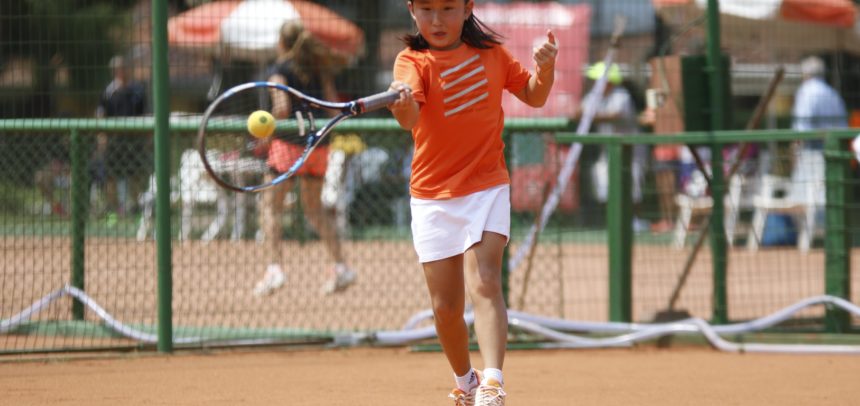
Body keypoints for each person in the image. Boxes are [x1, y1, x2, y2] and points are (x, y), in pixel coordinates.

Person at [387, 1, 557, 404]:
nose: (436, 19)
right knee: (445, 308)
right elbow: (409, 119)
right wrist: (402, 102)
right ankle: (466, 382)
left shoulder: (493, 55)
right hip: (432, 197)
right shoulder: (411, 61)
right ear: (412, 11)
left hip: (486, 186)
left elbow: (534, 96)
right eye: (426, 9)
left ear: (467, 9)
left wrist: (545, 69)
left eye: (448, 8)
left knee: (485, 281)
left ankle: (493, 383)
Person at [252, 21, 356, 297]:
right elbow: (332, 106)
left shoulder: (278, 71)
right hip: (318, 147)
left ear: (281, 43)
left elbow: (281, 107)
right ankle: (341, 267)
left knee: (271, 207)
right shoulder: (319, 70)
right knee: (314, 209)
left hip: (289, 145)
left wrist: (266, 136)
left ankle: (274, 268)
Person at [576, 62, 650, 232]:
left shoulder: (622, 95)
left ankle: (635, 221)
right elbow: (577, 112)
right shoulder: (593, 96)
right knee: (604, 184)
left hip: (631, 150)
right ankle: (615, 221)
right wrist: (587, 113)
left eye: (600, 80)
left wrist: (590, 115)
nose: (597, 83)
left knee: (633, 185)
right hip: (608, 151)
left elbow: (615, 115)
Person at [95, 55, 148, 218]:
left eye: (124, 68)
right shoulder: (108, 91)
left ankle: (135, 207)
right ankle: (114, 209)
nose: (121, 71)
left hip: (134, 139)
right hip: (114, 140)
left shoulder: (138, 90)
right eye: (117, 69)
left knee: (135, 174)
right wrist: (102, 137)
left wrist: (146, 138)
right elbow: (100, 114)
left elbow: (145, 114)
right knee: (110, 175)